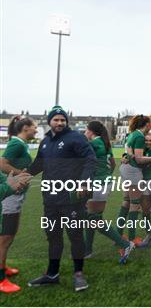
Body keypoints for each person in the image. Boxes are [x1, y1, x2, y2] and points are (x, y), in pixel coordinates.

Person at [26, 106, 96, 291]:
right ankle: (52, 274)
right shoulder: (46, 141)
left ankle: (78, 274)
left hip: (71, 198)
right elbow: (38, 164)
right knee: (53, 236)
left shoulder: (76, 137)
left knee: (75, 236)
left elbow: (90, 158)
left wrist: (84, 182)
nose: (59, 123)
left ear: (66, 122)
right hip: (50, 199)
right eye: (56, 120)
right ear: (50, 121)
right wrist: (22, 175)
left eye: (62, 120)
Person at [83, 121, 135, 263]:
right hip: (104, 182)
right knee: (91, 217)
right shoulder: (104, 143)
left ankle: (125, 244)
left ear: (91, 131)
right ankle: (87, 250)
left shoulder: (94, 143)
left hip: (97, 184)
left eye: (85, 130)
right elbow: (112, 163)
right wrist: (106, 177)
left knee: (94, 219)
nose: (84, 133)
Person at [0, 116, 35, 293]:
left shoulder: (20, 144)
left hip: (15, 195)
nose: (36, 130)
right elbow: (2, 163)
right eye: (34, 127)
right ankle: (0, 279)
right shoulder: (17, 144)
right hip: (10, 196)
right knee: (5, 238)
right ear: (25, 128)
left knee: (9, 235)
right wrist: (20, 174)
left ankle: (3, 268)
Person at [117, 115, 151, 246]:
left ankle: (118, 235)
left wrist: (127, 156)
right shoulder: (140, 136)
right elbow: (139, 159)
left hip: (124, 169)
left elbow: (128, 154)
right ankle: (132, 239)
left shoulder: (132, 134)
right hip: (133, 171)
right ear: (146, 124)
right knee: (134, 205)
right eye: (150, 124)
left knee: (126, 202)